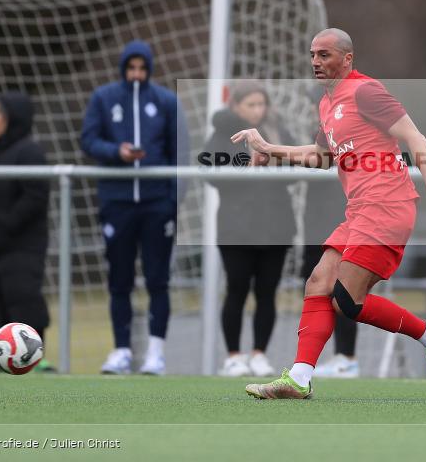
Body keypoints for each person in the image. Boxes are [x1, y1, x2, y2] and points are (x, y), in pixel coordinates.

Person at [238, 28, 426, 399]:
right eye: (313, 54)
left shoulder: (366, 91)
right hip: (360, 210)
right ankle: (299, 377)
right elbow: (320, 157)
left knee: (346, 302)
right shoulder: (327, 103)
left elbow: (415, 137)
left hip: (388, 205)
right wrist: (268, 147)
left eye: (325, 54)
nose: (316, 61)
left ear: (347, 59)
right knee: (317, 284)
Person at [81, 39, 180, 376]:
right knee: (119, 280)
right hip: (118, 201)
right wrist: (116, 152)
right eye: (131, 68)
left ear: (149, 69)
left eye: (142, 68)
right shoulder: (104, 98)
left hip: (156, 204)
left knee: (157, 279)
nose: (136, 74)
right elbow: (89, 140)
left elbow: (179, 150)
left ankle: (156, 353)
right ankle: (121, 350)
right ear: (123, 68)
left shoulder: (165, 101)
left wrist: (172, 201)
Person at [200, 80, 296, 378]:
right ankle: (233, 356)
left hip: (276, 226)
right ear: (237, 106)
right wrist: (246, 166)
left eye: (261, 104)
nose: (258, 110)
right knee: (237, 289)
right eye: (251, 104)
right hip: (236, 228)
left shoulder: (278, 131)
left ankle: (259, 354)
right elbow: (210, 173)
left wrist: (273, 163)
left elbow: (296, 167)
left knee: (266, 292)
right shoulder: (222, 133)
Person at [0, 92, 52, 370]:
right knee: (1, 303)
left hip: (22, 245)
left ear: (11, 118)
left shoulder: (29, 152)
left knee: (24, 300)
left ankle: (34, 359)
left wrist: (6, 224)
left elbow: (35, 197)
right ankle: (6, 361)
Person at [300, 87, 357, 379]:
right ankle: (307, 365)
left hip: (344, 223)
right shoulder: (318, 134)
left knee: (344, 291)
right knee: (315, 288)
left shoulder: (345, 133)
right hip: (316, 226)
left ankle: (346, 357)